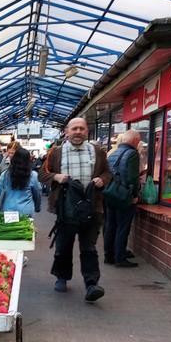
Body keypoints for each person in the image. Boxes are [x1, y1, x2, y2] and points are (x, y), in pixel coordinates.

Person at [38, 117, 112, 303]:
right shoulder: (56, 153)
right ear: (67, 132)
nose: (78, 132)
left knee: (89, 248)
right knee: (63, 245)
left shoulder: (98, 152)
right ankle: (61, 277)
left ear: (87, 131)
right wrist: (56, 177)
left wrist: (103, 180)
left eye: (81, 128)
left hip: (91, 207)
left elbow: (108, 172)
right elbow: (42, 174)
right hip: (66, 208)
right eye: (74, 129)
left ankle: (91, 284)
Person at [103, 130, 141, 268]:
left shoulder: (112, 153)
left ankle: (109, 255)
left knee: (110, 225)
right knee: (122, 227)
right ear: (135, 140)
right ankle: (120, 257)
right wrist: (135, 195)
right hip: (123, 196)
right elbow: (132, 177)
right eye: (138, 141)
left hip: (111, 193)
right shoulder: (132, 154)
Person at [0, 147, 42, 217]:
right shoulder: (32, 175)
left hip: (8, 210)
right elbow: (37, 193)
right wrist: (37, 207)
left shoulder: (5, 175)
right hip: (26, 211)